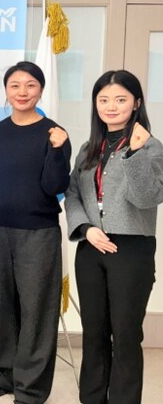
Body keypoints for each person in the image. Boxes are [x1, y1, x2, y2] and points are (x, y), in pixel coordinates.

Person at [0, 61, 71, 404]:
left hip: (38, 233)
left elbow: (55, 186)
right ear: (6, 90)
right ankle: (6, 374)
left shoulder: (54, 133)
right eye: (15, 85)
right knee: (3, 307)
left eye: (30, 85)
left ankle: (31, 389)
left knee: (37, 310)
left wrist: (56, 150)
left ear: (41, 90)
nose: (22, 92)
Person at [65, 70, 163, 404]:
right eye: (104, 99)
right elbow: (73, 194)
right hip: (91, 247)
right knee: (93, 332)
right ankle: (92, 398)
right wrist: (86, 229)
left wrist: (134, 154)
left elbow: (147, 198)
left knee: (125, 335)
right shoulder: (88, 149)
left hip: (131, 249)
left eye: (121, 99)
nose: (111, 106)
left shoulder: (151, 147)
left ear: (136, 103)